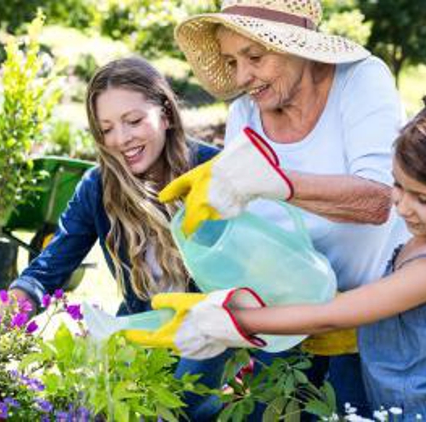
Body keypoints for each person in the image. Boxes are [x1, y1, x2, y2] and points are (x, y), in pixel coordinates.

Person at [156, 0, 409, 416]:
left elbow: (379, 200)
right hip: (293, 321)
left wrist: (280, 183)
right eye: (231, 60)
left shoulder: (360, 80)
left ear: (300, 46)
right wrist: (226, 297)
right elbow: (261, 239)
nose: (242, 77)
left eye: (254, 56)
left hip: (375, 325)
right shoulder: (245, 114)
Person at [171, 102, 426, 419]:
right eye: (397, 185)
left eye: (422, 198)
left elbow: (331, 315)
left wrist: (236, 322)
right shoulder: (413, 237)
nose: (402, 206)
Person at [5, 56, 221, 420]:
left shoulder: (213, 170)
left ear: (166, 113)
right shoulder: (99, 187)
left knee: (183, 408)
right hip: (143, 327)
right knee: (96, 406)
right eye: (106, 129)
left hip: (214, 332)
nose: (121, 140)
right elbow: (48, 270)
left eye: (133, 121)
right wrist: (9, 315)